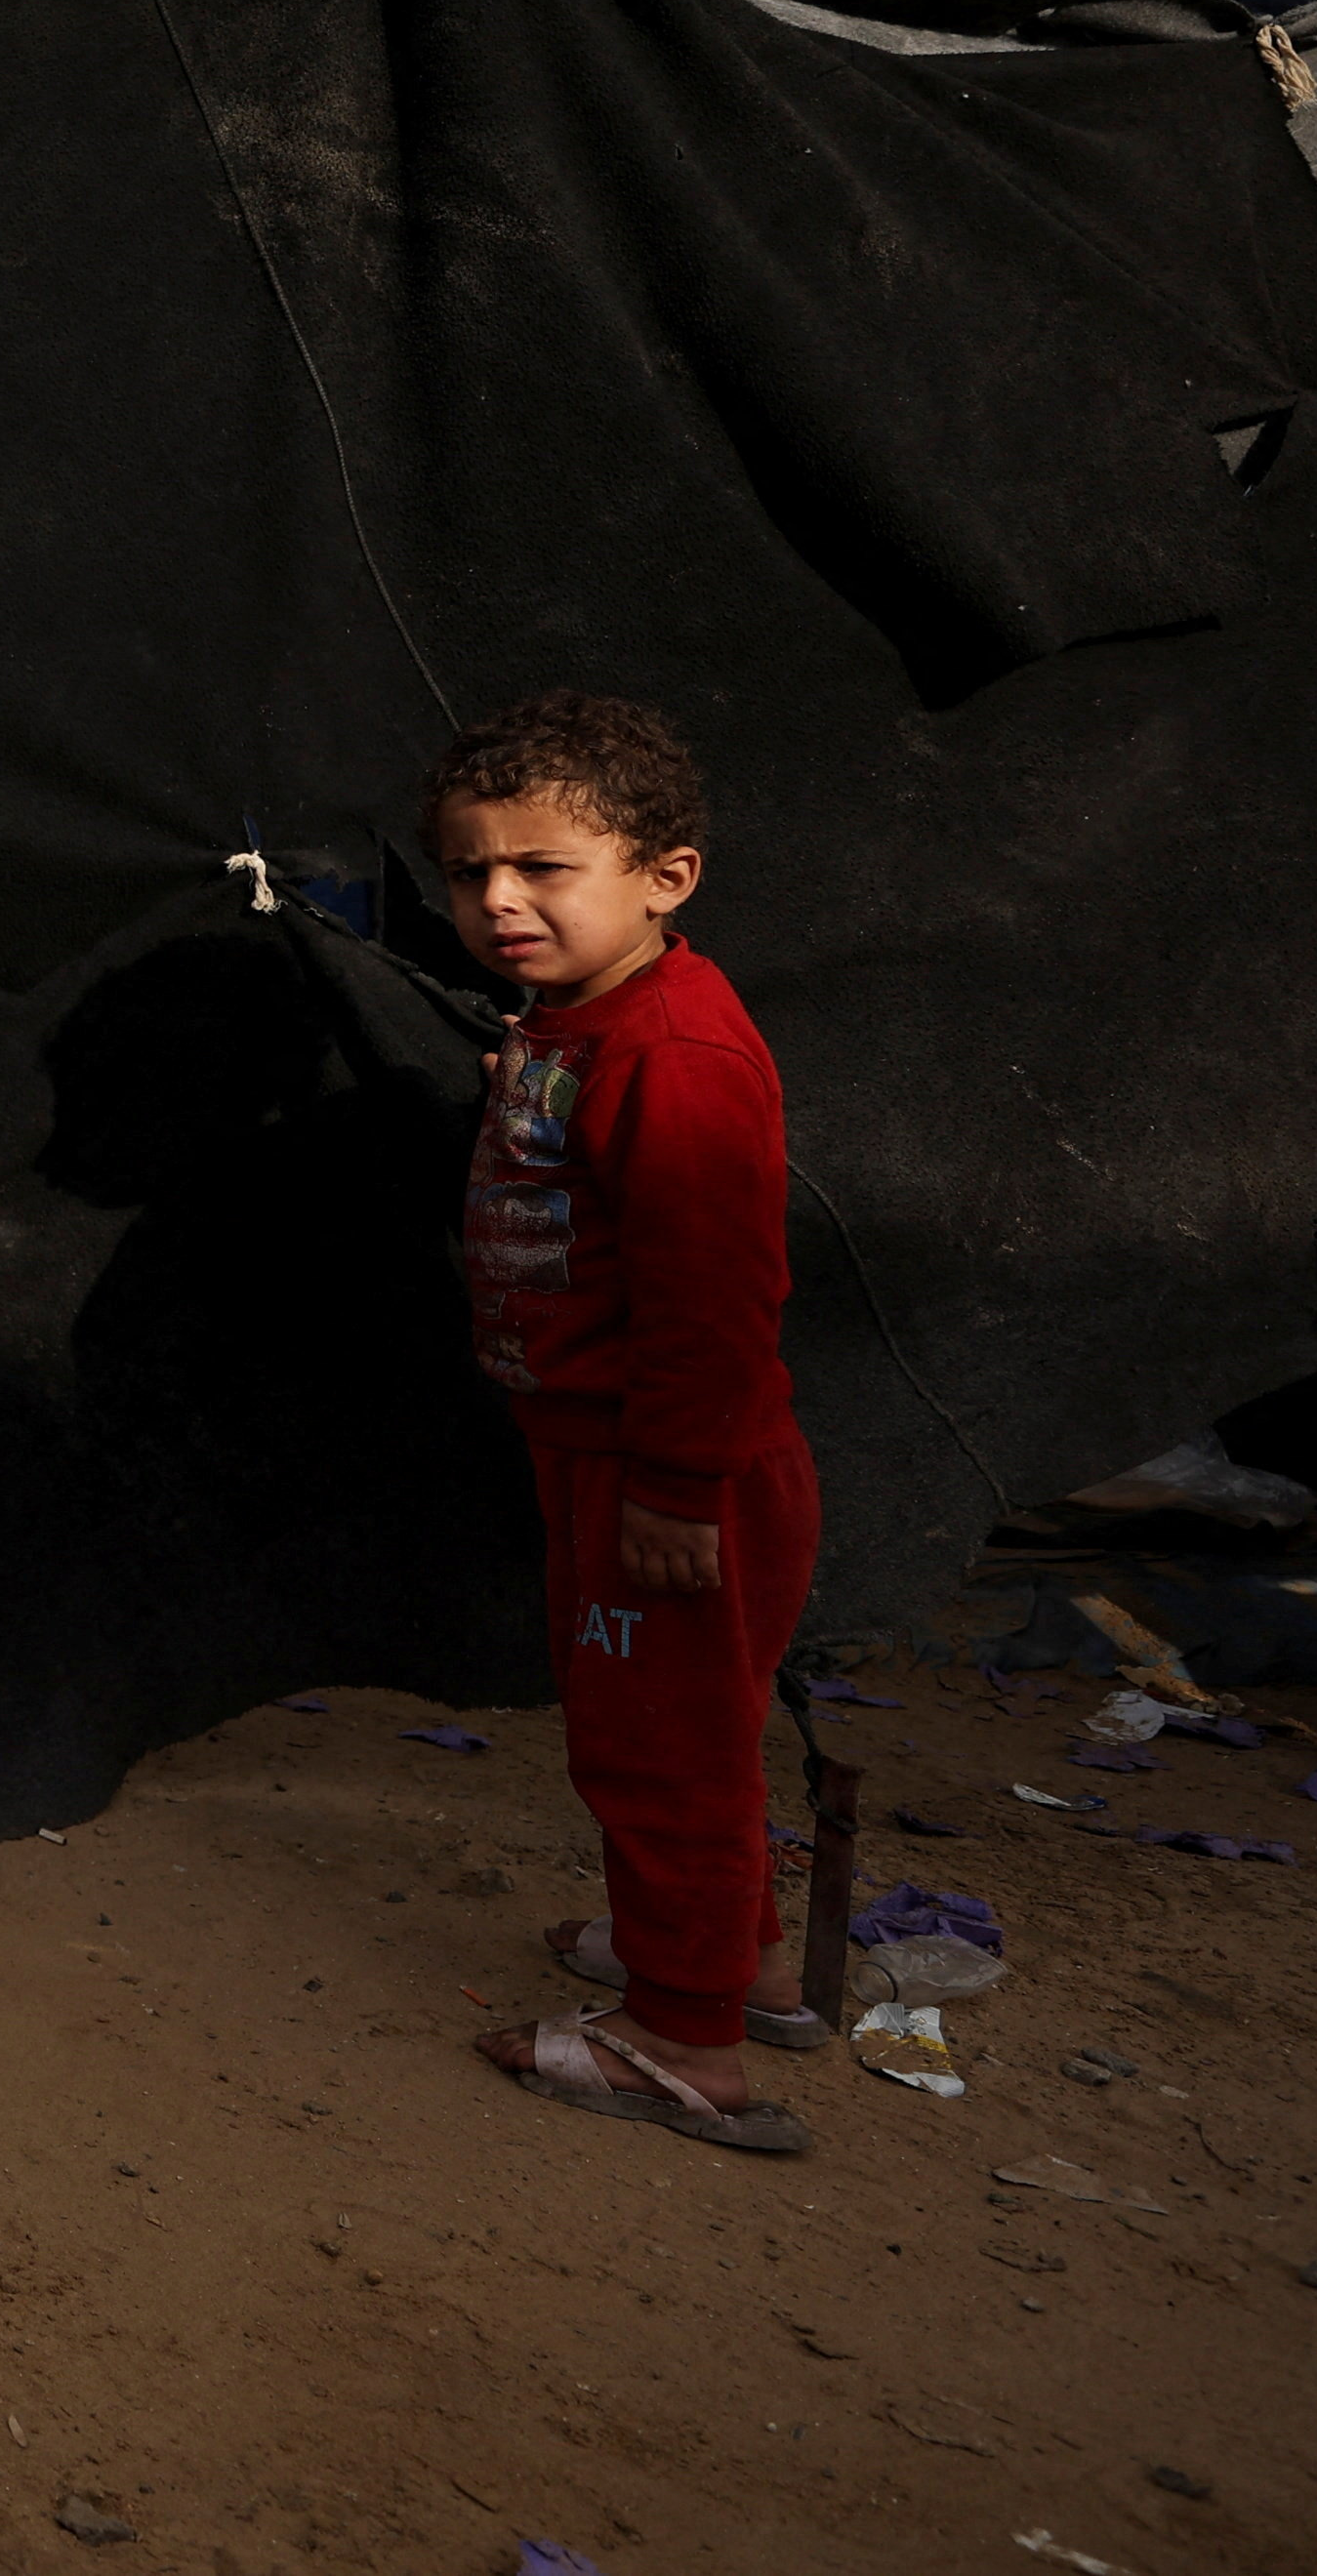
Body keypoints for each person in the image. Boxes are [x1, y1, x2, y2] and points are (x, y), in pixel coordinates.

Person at [432, 691, 818, 2155]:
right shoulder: (592, 1026)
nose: (500, 898)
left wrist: (670, 1485)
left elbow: (715, 1299)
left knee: (661, 1749)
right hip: (613, 1456)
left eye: (543, 866)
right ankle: (741, 1959)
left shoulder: (675, 1056)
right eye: (471, 871)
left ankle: (686, 2035)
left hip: (669, 1476)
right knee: (682, 1728)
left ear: (667, 874)